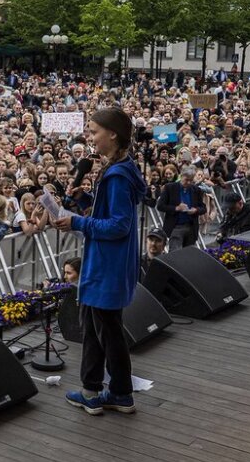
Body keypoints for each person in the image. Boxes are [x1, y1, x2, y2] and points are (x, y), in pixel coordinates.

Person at [53, 107, 145, 416]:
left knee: (105, 330)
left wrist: (78, 223)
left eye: (94, 132)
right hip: (108, 263)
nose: (90, 138)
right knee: (98, 328)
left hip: (107, 264)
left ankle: (112, 392)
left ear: (113, 134)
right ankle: (98, 389)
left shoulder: (117, 176)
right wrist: (83, 202)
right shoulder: (119, 168)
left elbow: (119, 226)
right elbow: (108, 215)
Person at [155, 166, 206, 250]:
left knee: (188, 255)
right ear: (181, 176)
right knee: (176, 255)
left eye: (191, 180)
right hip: (176, 227)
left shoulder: (196, 190)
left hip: (191, 227)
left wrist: (196, 210)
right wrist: (176, 208)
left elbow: (203, 208)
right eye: (186, 180)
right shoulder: (170, 188)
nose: (189, 182)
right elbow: (160, 206)